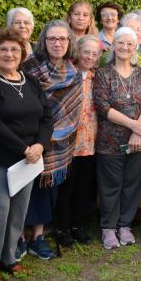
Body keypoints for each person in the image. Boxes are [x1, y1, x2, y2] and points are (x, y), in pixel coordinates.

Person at [0, 29, 53, 281]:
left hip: (28, 160)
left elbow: (46, 117)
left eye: (15, 50)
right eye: (3, 50)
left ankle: (10, 258)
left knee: (18, 211)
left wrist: (40, 145)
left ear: (22, 54)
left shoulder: (29, 81)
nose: (9, 54)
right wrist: (23, 148)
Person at [22, 20, 83, 259]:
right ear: (43, 41)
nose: (57, 43)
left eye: (62, 39)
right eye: (52, 39)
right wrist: (38, 136)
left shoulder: (73, 72)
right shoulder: (28, 67)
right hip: (30, 137)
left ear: (69, 42)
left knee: (48, 191)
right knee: (26, 190)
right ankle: (18, 238)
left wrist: (53, 135)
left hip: (59, 142)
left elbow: (73, 109)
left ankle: (38, 236)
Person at [93, 27, 141, 249]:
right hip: (110, 140)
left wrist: (138, 132)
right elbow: (102, 106)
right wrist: (133, 126)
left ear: (136, 47)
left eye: (130, 44)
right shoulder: (103, 74)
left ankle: (125, 225)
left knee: (132, 184)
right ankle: (109, 228)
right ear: (113, 46)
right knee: (111, 185)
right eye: (120, 43)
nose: (125, 47)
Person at [55, 35, 102, 246]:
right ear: (78, 51)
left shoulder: (97, 77)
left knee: (83, 186)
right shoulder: (66, 73)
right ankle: (61, 228)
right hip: (67, 141)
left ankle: (77, 226)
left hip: (90, 141)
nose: (90, 56)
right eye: (86, 52)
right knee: (66, 187)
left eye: (94, 53)